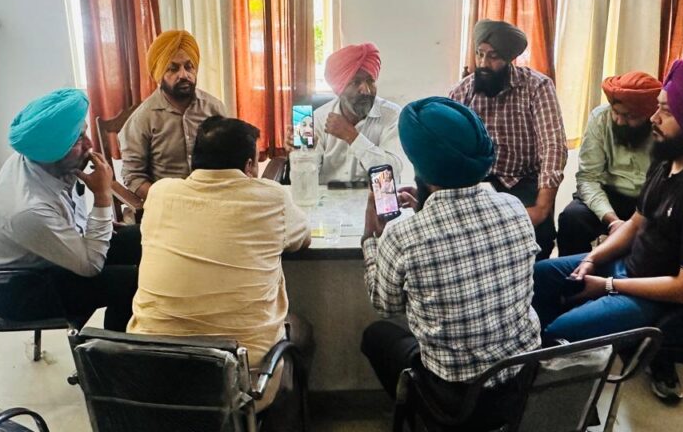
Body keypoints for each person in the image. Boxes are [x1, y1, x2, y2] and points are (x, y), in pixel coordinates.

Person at [532, 60, 683, 403]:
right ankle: (546, 369)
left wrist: (608, 286)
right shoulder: (669, 158)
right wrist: (593, 259)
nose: (654, 118)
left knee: (558, 334)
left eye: (666, 112)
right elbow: (635, 223)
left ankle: (548, 392)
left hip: (671, 304)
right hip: (632, 269)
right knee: (538, 277)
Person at [360, 97, 542, 426]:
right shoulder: (514, 208)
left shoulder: (403, 235)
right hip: (522, 387)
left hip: (455, 400)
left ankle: (424, 416)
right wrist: (425, 206)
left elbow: (385, 303)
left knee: (377, 336)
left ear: (419, 165)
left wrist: (371, 238)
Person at [128, 116, 312, 422]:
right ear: (250, 165)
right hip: (238, 384)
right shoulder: (272, 197)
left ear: (195, 160)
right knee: (301, 331)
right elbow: (302, 238)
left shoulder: (160, 194)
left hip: (154, 374)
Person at [0, 89, 141, 332]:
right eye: (78, 140)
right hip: (19, 289)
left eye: (84, 132)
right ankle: (110, 351)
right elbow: (90, 266)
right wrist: (103, 197)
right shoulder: (28, 209)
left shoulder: (40, 158)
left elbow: (66, 208)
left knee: (142, 238)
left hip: (42, 256)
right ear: (52, 151)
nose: (89, 144)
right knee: (132, 283)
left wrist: (96, 223)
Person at [449, 20, 567, 259]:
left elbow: (553, 145)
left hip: (523, 180)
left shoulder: (537, 86)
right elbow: (450, 146)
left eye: (493, 57)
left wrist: (541, 208)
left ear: (510, 58)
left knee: (537, 240)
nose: (484, 64)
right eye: (480, 54)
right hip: (477, 182)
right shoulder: (462, 92)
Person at [557, 72, 662, 256]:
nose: (619, 121)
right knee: (572, 219)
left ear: (649, 114)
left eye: (629, 116)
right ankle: (573, 272)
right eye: (615, 112)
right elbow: (588, 178)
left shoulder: (663, 126)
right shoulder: (600, 118)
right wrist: (613, 220)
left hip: (651, 198)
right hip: (609, 194)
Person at [120, 30, 227, 200]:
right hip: (167, 205)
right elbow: (133, 177)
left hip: (213, 200)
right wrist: (168, 200)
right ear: (159, 74)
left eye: (189, 67)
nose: (183, 75)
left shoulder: (214, 108)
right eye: (173, 69)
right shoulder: (143, 118)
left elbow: (231, 159)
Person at [294, 43, 408, 185]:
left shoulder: (393, 114)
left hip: (376, 195)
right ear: (339, 89)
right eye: (355, 82)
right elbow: (303, 183)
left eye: (370, 81)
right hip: (328, 196)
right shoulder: (313, 118)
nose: (366, 90)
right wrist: (301, 155)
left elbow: (393, 171)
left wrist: (352, 137)